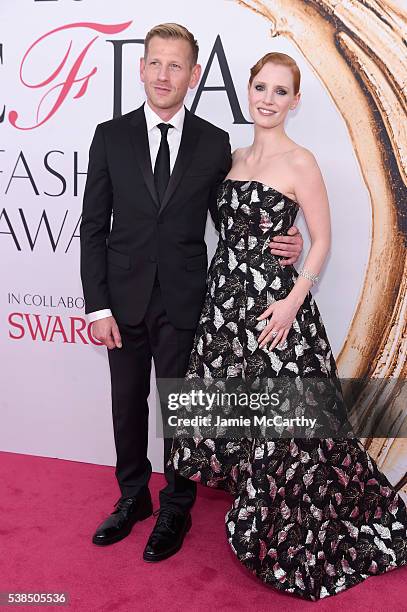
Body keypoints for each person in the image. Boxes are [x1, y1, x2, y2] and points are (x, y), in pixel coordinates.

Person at [169, 52, 407, 599]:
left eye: (280, 91)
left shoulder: (301, 162)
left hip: (278, 313)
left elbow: (320, 239)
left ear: (295, 101)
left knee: (291, 434)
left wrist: (294, 298)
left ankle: (290, 531)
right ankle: (258, 512)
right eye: (260, 87)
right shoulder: (230, 157)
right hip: (226, 310)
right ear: (247, 92)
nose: (268, 99)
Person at [80, 25, 303, 562]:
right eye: (155, 63)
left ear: (193, 75)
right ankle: (132, 497)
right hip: (123, 301)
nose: (163, 74)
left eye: (175, 65)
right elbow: (93, 226)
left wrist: (287, 238)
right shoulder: (110, 135)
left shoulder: (212, 142)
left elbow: (234, 216)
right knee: (125, 406)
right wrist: (97, 305)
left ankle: (176, 505)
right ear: (141, 68)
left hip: (186, 301)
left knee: (182, 411)